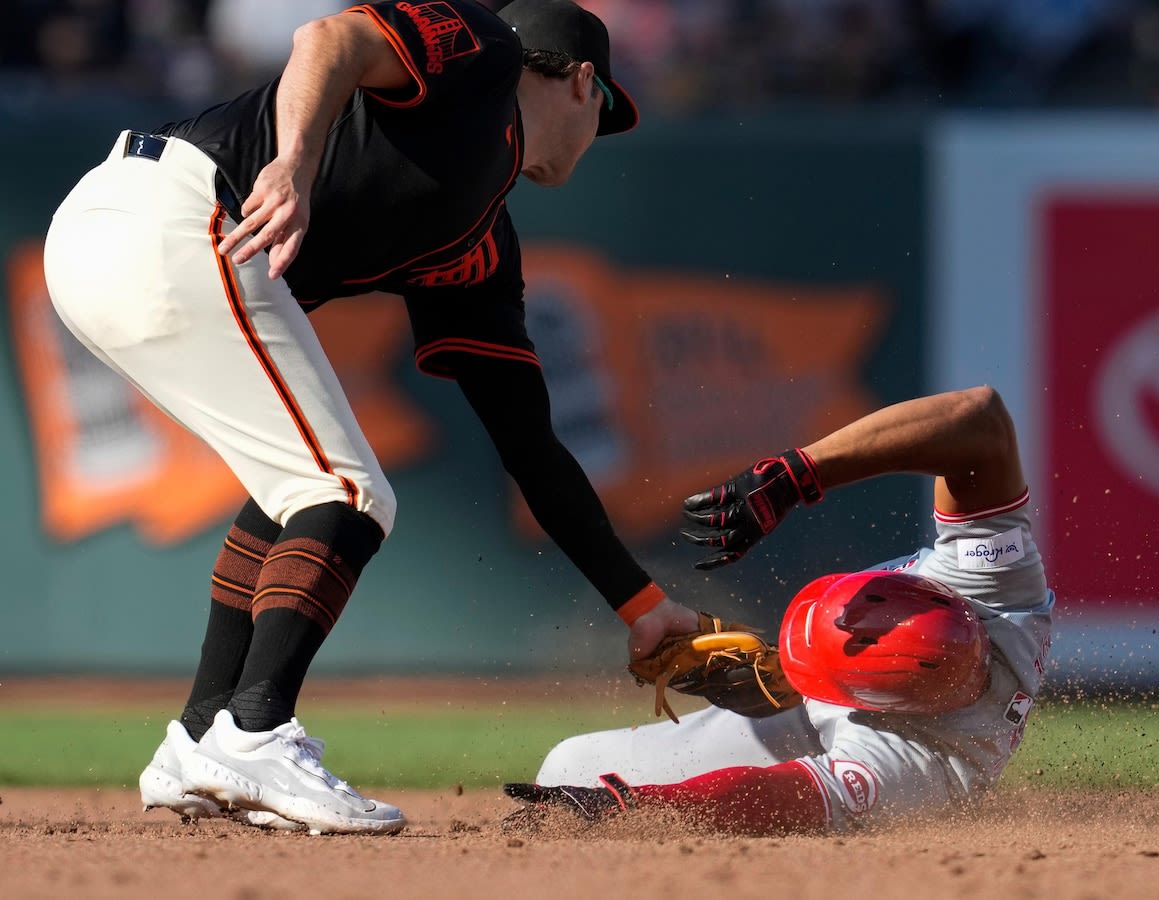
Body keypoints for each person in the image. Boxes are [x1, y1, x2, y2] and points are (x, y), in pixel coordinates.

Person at [41, 0, 702, 836]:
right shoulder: (487, 54)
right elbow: (329, 38)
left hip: (120, 242)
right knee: (347, 492)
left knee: (298, 489)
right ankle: (256, 733)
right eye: (605, 112)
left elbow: (531, 448)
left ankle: (203, 735)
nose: (598, 135)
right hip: (167, 213)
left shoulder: (481, 245)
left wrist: (642, 606)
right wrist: (293, 161)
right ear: (580, 83)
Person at [503, 386, 1055, 834]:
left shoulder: (921, 765)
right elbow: (978, 417)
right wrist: (798, 474)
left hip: (853, 744)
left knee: (574, 773)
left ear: (851, 692)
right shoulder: (992, 591)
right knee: (567, 763)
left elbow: (779, 797)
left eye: (800, 670)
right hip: (871, 695)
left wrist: (635, 804)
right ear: (929, 596)